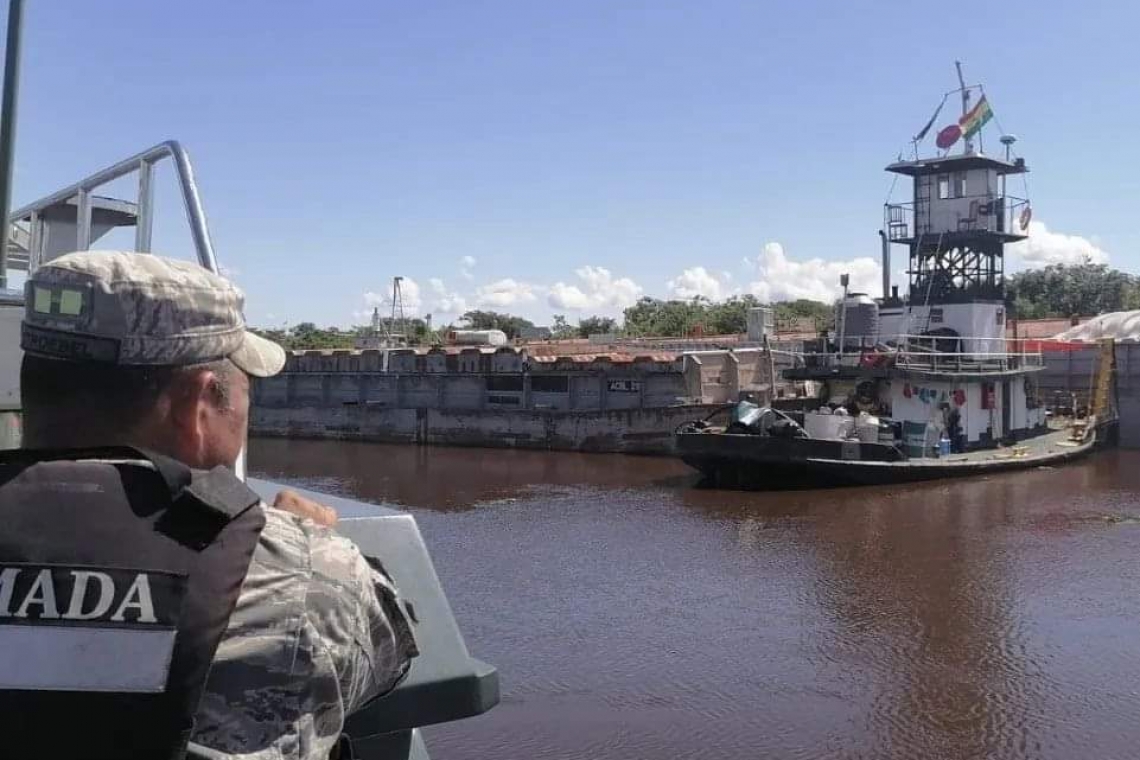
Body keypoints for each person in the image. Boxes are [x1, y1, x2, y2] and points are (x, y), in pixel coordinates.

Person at [7, 250, 418, 759]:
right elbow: (390, 662)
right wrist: (300, 537)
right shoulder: (300, 573)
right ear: (198, 406)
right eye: (245, 389)